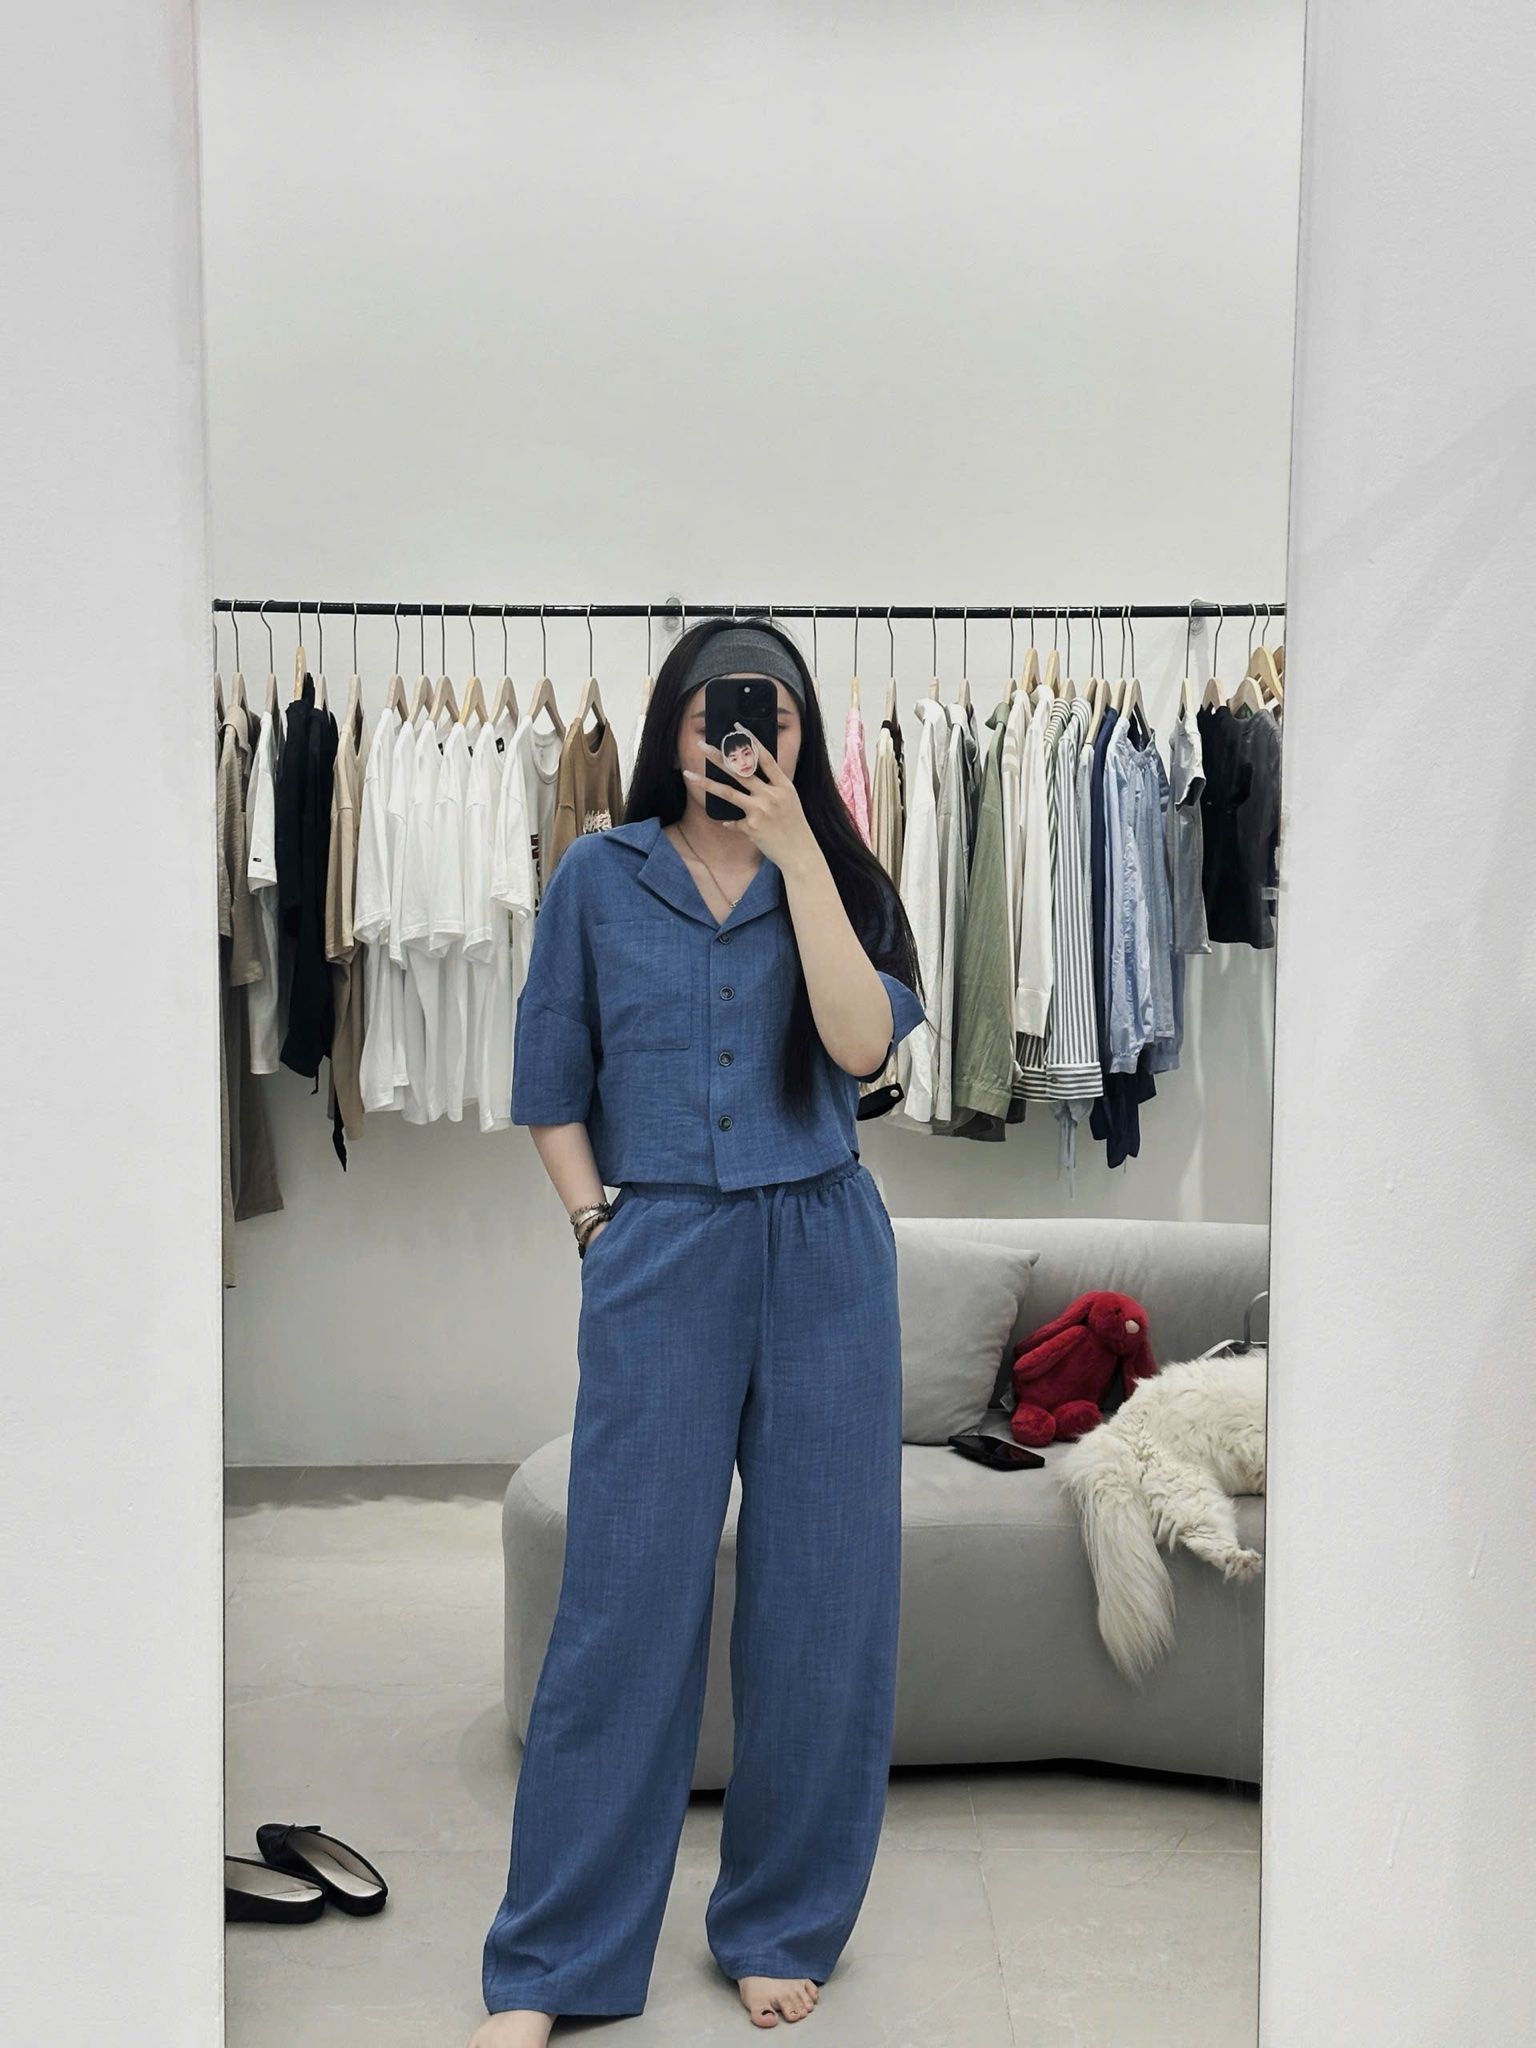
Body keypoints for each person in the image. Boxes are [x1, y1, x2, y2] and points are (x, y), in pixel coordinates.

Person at [471, 616, 927, 2044]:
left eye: (775, 716)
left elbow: (861, 1050)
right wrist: (596, 1227)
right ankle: (554, 1965)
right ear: (674, 723)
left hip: (826, 1252)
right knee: (623, 1601)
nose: (745, 734)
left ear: (803, 738)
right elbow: (551, 1082)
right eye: (722, 712)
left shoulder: (843, 877)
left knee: (823, 1604)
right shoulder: (597, 879)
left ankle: (780, 1922)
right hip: (659, 1251)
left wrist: (801, 855)